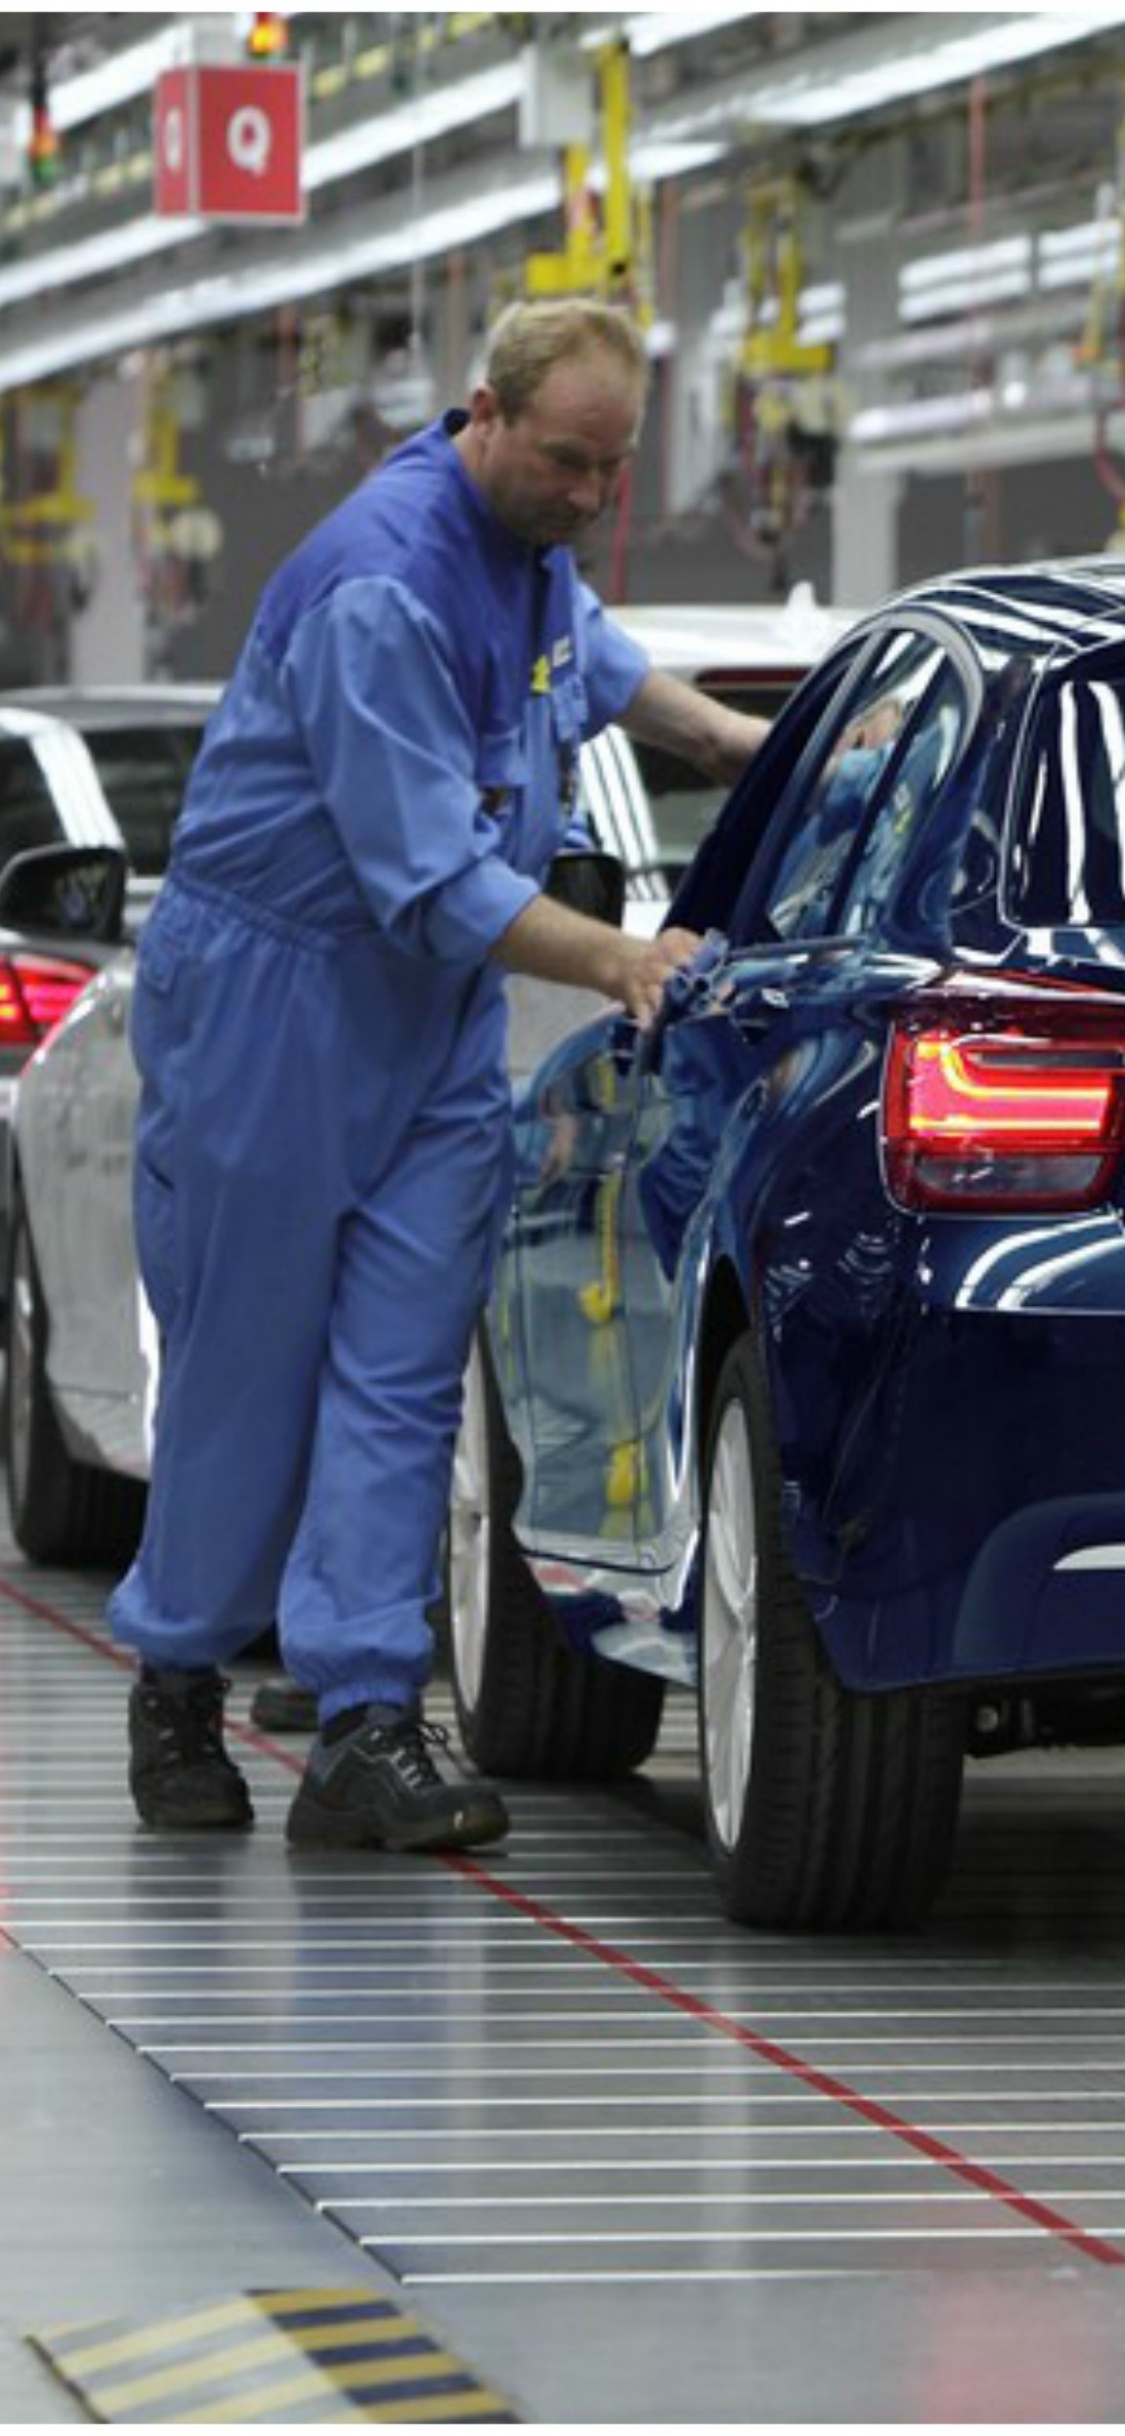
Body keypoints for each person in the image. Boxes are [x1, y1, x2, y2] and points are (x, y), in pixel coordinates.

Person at [110, 297, 769, 1854]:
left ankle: (362, 1722)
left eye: (611, 472)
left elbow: (591, 668)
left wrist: (737, 746)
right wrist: (619, 960)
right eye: (566, 465)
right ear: (484, 414)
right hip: (277, 997)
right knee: (248, 1362)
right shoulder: (378, 588)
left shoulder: (527, 546)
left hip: (428, 1018)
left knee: (404, 1371)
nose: (589, 500)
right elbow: (425, 879)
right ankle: (179, 1678)